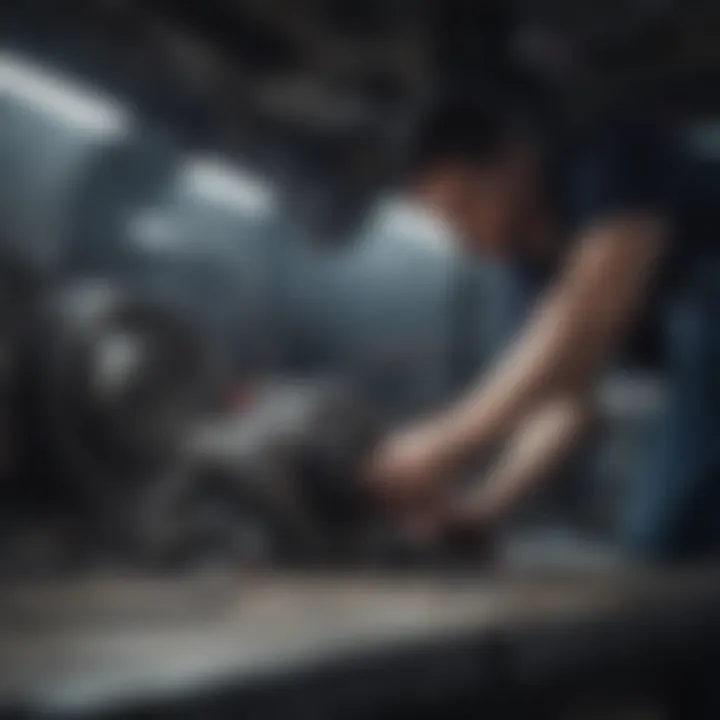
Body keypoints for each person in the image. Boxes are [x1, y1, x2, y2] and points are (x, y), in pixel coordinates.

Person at [365, 95, 720, 563]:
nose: (463, 237)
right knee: (658, 544)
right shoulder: (525, 274)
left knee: (669, 535)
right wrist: (484, 509)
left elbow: (590, 315)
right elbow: (564, 403)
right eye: (446, 222)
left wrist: (444, 441)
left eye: (465, 207)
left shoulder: (611, 159)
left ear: (513, 163)